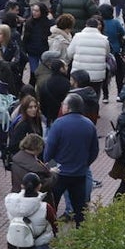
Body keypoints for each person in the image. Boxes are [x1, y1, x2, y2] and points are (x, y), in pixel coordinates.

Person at [43, 93, 100, 225]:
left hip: (59, 175)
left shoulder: (58, 124)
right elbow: (94, 151)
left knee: (52, 206)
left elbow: (48, 153)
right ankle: (82, 238)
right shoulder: (89, 125)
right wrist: (84, 164)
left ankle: (52, 235)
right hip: (79, 174)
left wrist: (53, 166)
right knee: (80, 210)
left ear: (67, 107)